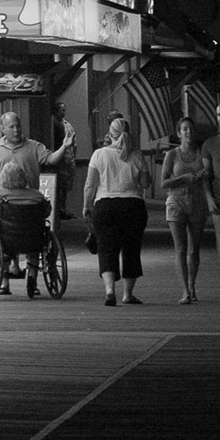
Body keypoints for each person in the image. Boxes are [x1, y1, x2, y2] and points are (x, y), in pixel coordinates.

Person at [0, 111, 60, 296]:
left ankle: (4, 279)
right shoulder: (37, 196)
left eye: (18, 126)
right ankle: (32, 275)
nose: (16, 130)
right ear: (3, 129)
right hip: (33, 232)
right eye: (11, 126)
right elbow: (47, 211)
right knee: (38, 234)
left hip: (7, 227)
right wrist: (65, 147)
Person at [82, 113, 152, 307]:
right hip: (133, 206)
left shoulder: (99, 154)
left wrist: (86, 205)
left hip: (105, 206)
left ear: (110, 134)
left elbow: (90, 184)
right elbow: (146, 184)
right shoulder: (137, 155)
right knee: (131, 249)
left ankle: (110, 290)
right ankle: (128, 294)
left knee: (106, 249)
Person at [162, 115, 215, 304]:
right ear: (179, 133)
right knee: (181, 248)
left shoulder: (201, 153)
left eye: (190, 129)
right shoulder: (172, 155)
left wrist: (204, 179)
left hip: (197, 202)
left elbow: (207, 176)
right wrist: (184, 178)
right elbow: (164, 182)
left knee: (194, 249)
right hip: (176, 202)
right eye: (184, 129)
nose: (188, 132)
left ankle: (192, 285)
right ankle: (184, 290)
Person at [49, 108, 79, 219]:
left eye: (64, 110)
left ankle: (63, 209)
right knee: (57, 186)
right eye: (60, 110)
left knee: (65, 187)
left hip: (67, 159)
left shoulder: (68, 126)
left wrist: (72, 158)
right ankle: (57, 211)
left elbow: (74, 144)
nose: (62, 112)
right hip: (56, 160)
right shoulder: (51, 124)